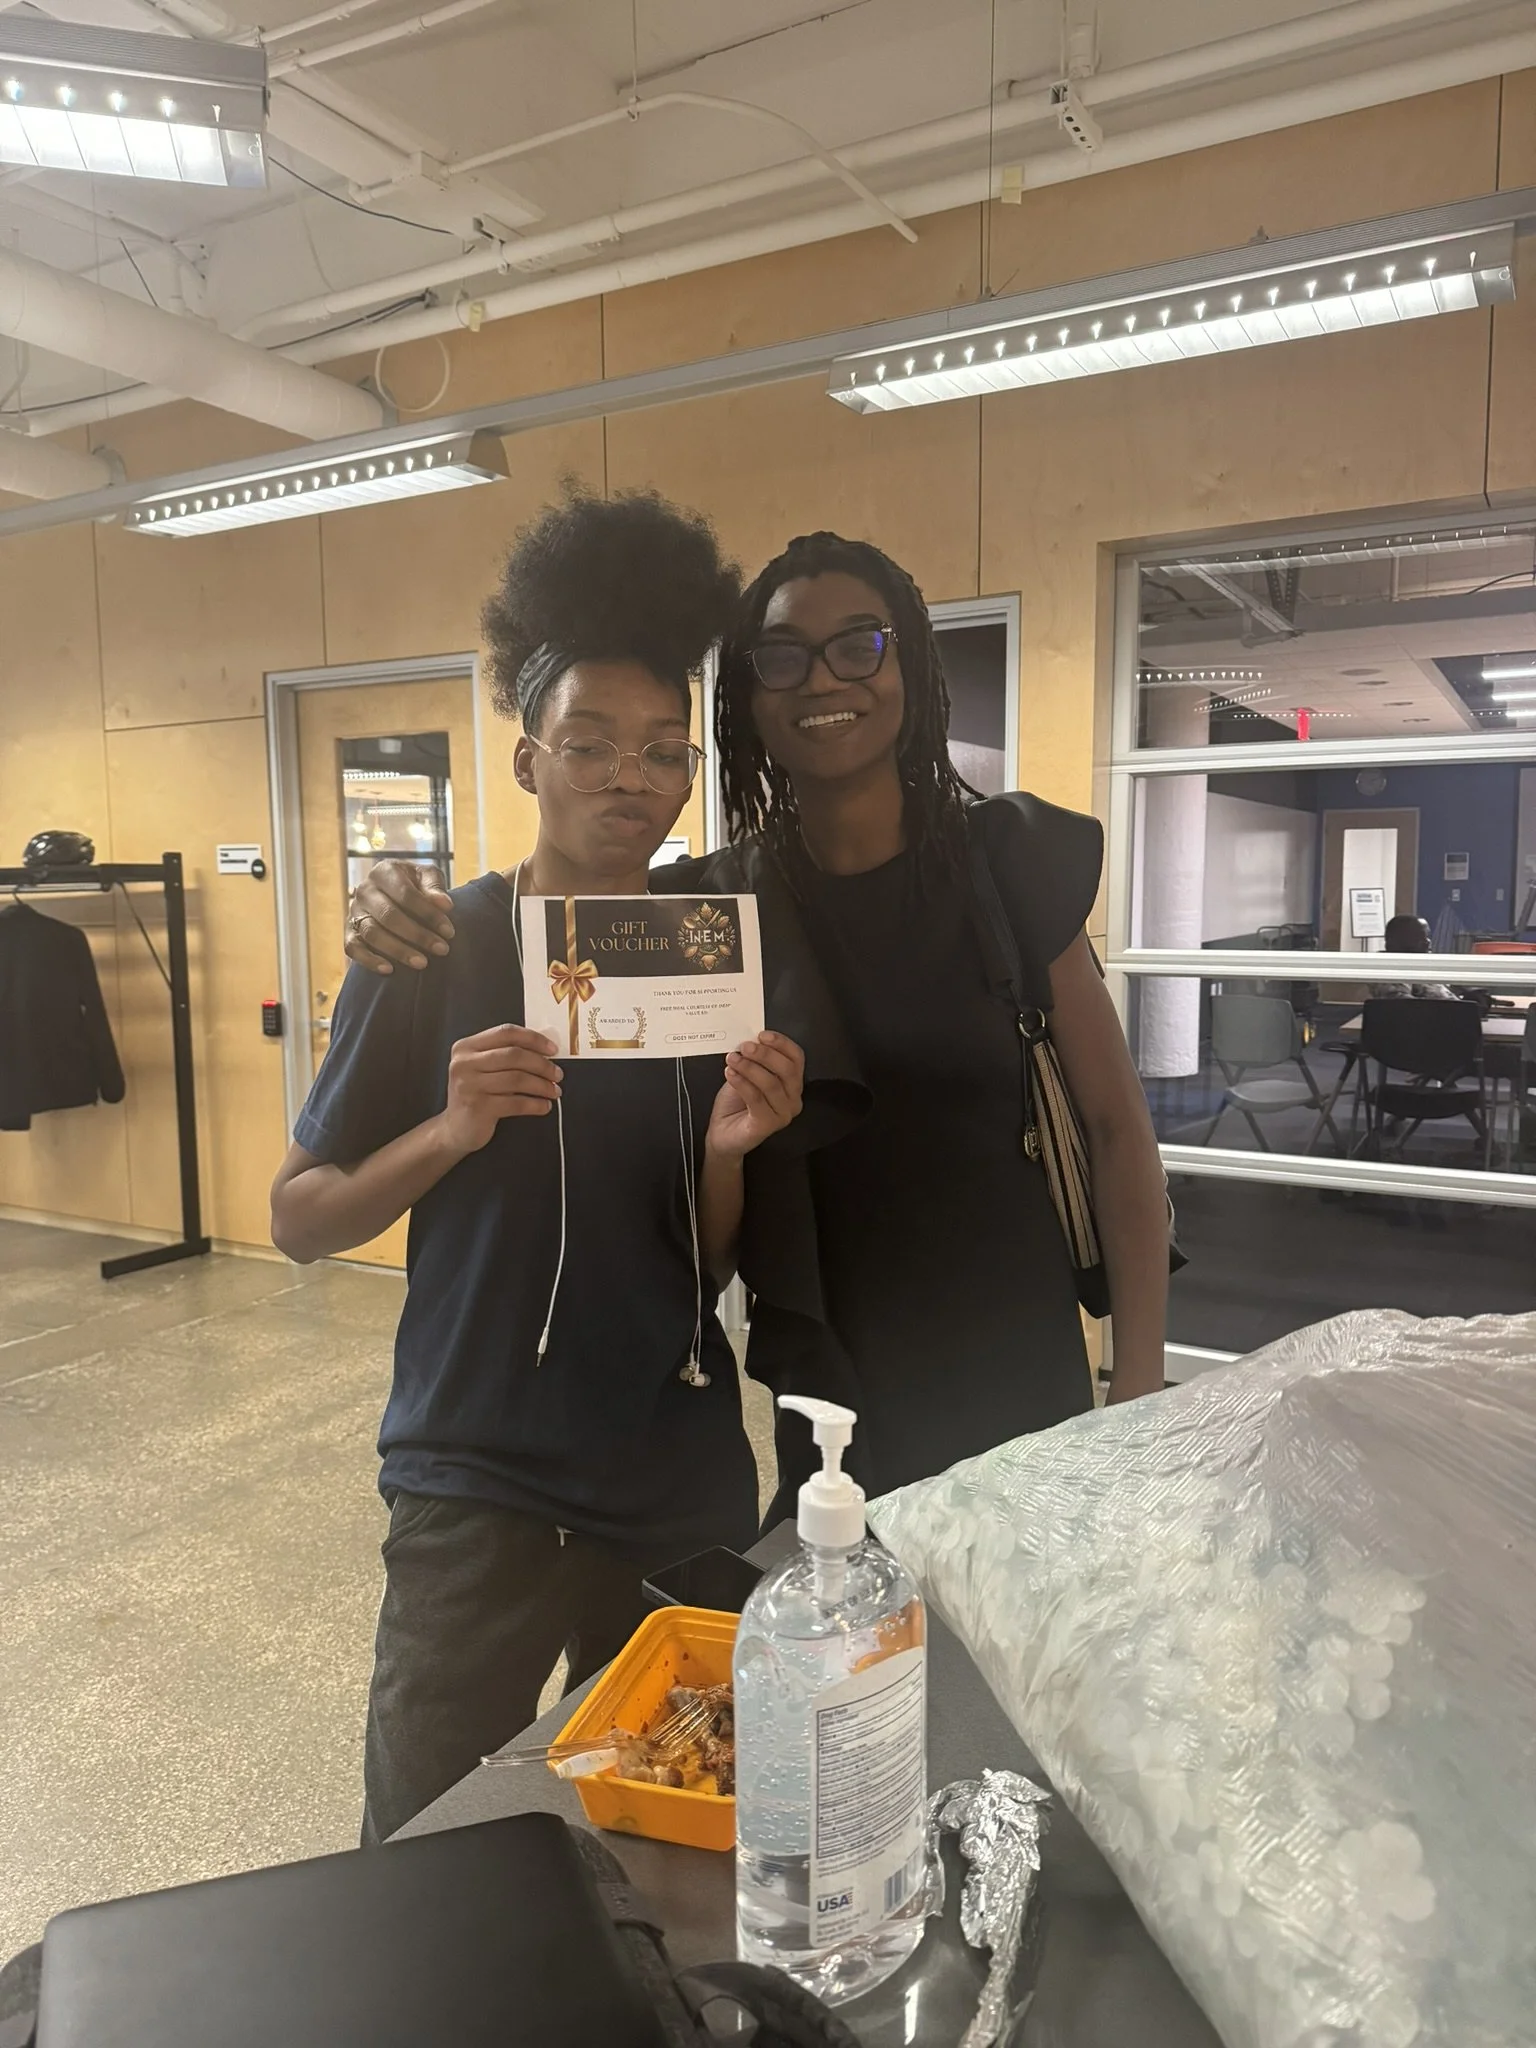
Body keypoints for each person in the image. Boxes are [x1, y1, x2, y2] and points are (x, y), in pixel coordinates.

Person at [343, 530, 1170, 1522]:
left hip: (1011, 1350)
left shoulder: (1006, 863)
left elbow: (1120, 1132)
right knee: (849, 1660)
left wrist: (1139, 1385)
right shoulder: (709, 912)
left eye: (859, 644)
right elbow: (558, 901)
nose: (824, 678)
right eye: (781, 656)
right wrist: (388, 890)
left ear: (906, 659)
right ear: (746, 699)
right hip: (830, 1379)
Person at [270, 488, 806, 1844]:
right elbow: (297, 1219)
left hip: (673, 1479)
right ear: (527, 757)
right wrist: (449, 1131)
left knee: (664, 1837)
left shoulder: (703, 954)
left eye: (664, 752)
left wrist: (730, 1149)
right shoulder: (434, 948)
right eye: (592, 744)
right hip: (476, 1484)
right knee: (429, 1845)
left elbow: (715, 1252)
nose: (632, 776)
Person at [1377, 914, 1462, 1002]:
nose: (1427, 941)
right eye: (1420, 937)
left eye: (1427, 936)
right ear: (1398, 941)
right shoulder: (1388, 971)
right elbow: (1403, 1006)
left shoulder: (1419, 966)